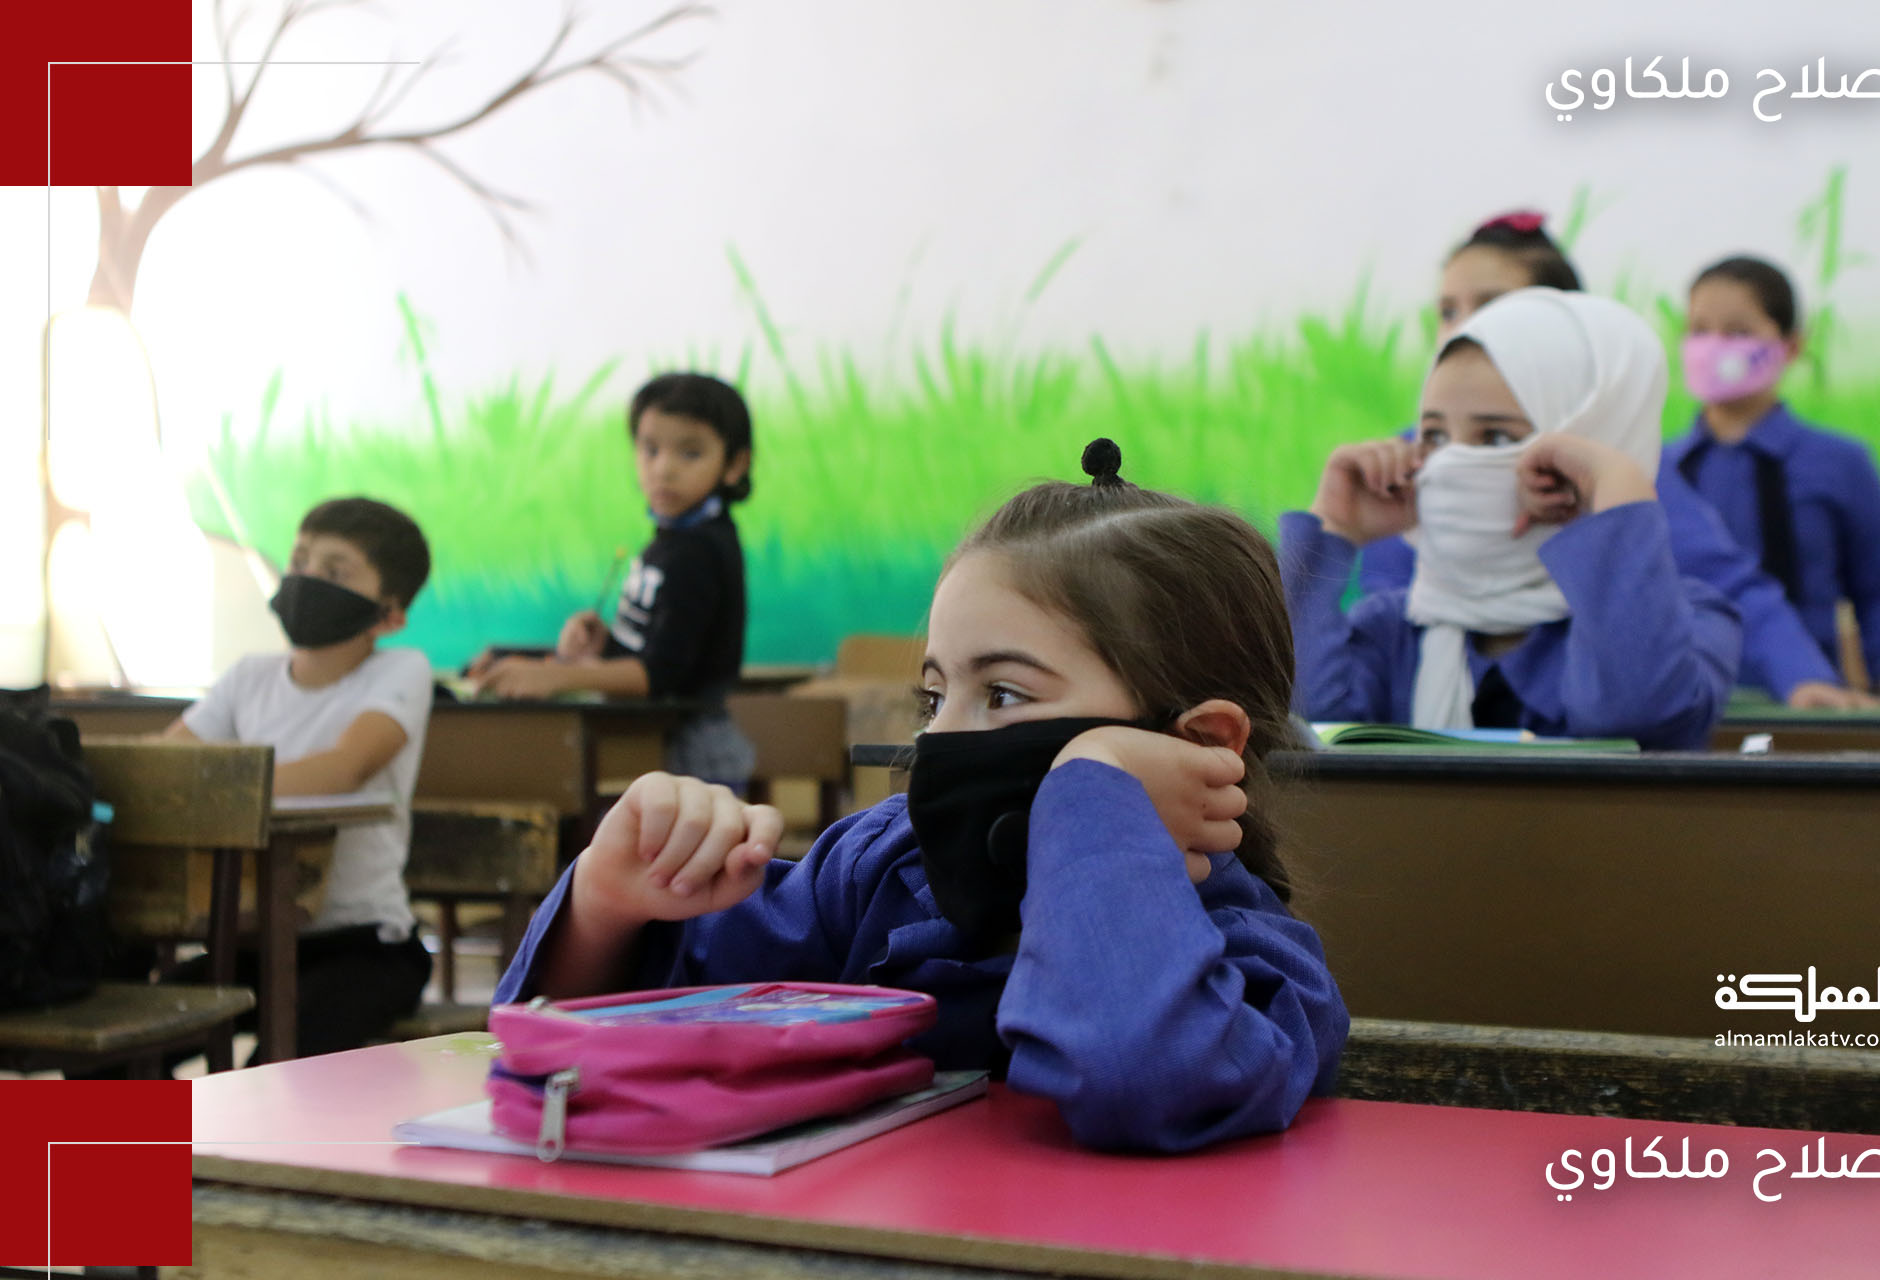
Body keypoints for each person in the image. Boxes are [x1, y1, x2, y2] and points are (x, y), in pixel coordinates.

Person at [495, 440, 1348, 1153]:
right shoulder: (878, 869)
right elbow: (587, 1047)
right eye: (934, 697)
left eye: (1004, 694)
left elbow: (1135, 1072)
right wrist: (607, 904)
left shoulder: (1260, 963)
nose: (941, 739)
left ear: (1201, 744)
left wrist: (1097, 795)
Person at [1358, 212, 1865, 709]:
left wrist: (1803, 677)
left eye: (1494, 306)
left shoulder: (1615, 465)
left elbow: (1724, 581)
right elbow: (1388, 618)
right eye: (1448, 311)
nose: (1465, 327)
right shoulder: (1413, 464)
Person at [1282, 288, 1740, 748]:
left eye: (1496, 438)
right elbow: (1293, 721)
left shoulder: (1693, 619)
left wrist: (1616, 487)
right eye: (1435, 436)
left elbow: (1634, 719)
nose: (1451, 462)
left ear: (1594, 439)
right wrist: (1333, 529)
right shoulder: (1394, 626)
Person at [163, 496, 434, 1058]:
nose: (307, 579)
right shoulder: (249, 677)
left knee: (276, 1066)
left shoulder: (401, 670)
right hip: (251, 943)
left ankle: (235, 1120)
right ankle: (158, 1123)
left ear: (390, 615)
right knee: (117, 1051)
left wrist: (216, 790)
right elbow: (167, 765)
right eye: (300, 561)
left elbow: (344, 767)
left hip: (364, 949)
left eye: (335, 572)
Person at [470, 372, 756, 787]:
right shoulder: (672, 540)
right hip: (663, 738)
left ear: (735, 465)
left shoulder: (699, 550)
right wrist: (607, 644)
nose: (663, 469)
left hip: (693, 749)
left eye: (690, 453)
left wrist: (557, 677)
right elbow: (659, 650)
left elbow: (657, 675)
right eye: (650, 449)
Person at [1665, 255, 1880, 696]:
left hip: (1809, 703)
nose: (1712, 346)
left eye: (1737, 332)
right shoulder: (1659, 467)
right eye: (1699, 330)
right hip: (1681, 703)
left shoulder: (1841, 462)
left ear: (1791, 345)